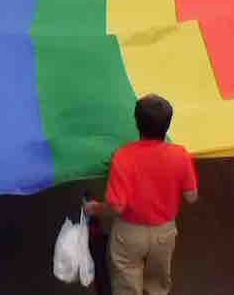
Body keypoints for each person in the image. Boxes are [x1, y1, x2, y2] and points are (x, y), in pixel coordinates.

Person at [83, 95, 198, 295]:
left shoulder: (123, 156)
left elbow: (116, 207)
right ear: (168, 125)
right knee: (158, 285)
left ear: (137, 123)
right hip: (164, 233)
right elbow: (191, 196)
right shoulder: (181, 155)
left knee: (126, 286)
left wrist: (95, 208)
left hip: (129, 234)